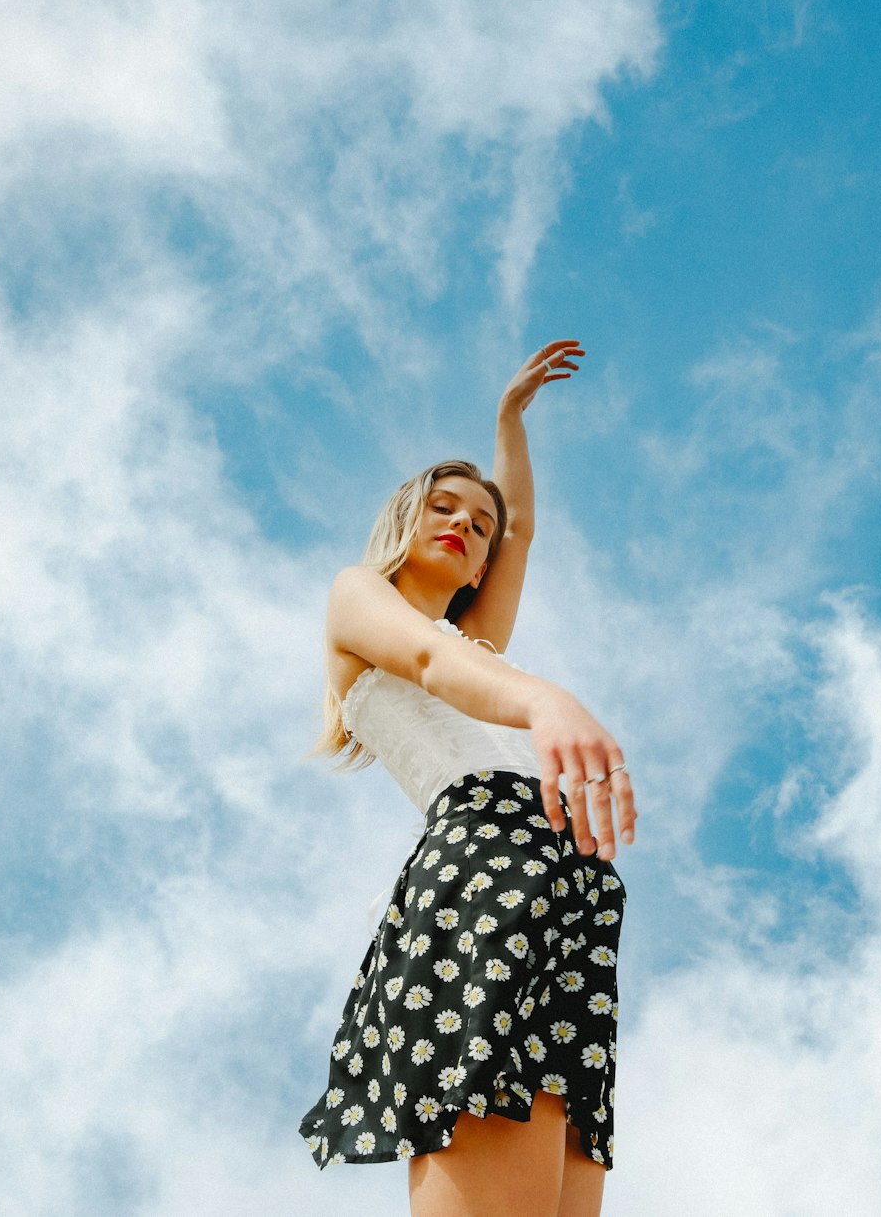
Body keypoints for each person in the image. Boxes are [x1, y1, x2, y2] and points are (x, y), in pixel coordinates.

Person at [299, 341, 637, 1217]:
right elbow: (425, 657)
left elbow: (519, 527)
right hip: (484, 875)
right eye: (442, 507)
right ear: (406, 517)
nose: (465, 524)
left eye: (477, 526)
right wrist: (546, 702)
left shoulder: (480, 643)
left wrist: (509, 424)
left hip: (569, 892)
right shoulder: (359, 601)